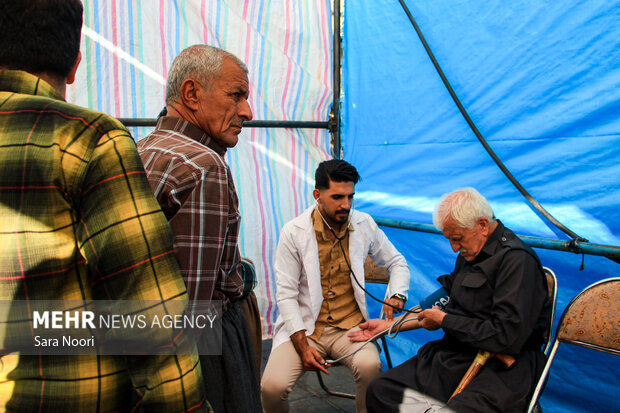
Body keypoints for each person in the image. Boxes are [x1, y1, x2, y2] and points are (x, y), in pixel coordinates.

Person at [0, 0, 209, 411]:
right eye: (237, 94)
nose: (248, 111)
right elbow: (154, 322)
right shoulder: (86, 140)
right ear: (76, 64)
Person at [137, 45, 262, 413]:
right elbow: (192, 312)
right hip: (202, 354)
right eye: (236, 95)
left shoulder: (140, 148)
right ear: (191, 93)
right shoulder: (205, 165)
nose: (247, 112)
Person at [350, 187, 551, 413]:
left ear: (483, 225)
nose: (454, 248)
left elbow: (507, 336)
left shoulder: (517, 261)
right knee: (383, 390)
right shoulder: (470, 253)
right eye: (450, 240)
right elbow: (438, 305)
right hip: (458, 354)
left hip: (504, 366)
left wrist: (445, 321)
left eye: (457, 239)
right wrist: (390, 325)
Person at [261, 159, 411, 413]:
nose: (346, 205)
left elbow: (397, 262)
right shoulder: (293, 232)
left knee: (370, 367)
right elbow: (286, 296)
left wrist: (397, 294)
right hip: (305, 329)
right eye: (338, 197)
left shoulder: (363, 223)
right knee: (271, 388)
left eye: (351, 197)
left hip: (350, 329)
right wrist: (302, 345)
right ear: (317, 195)